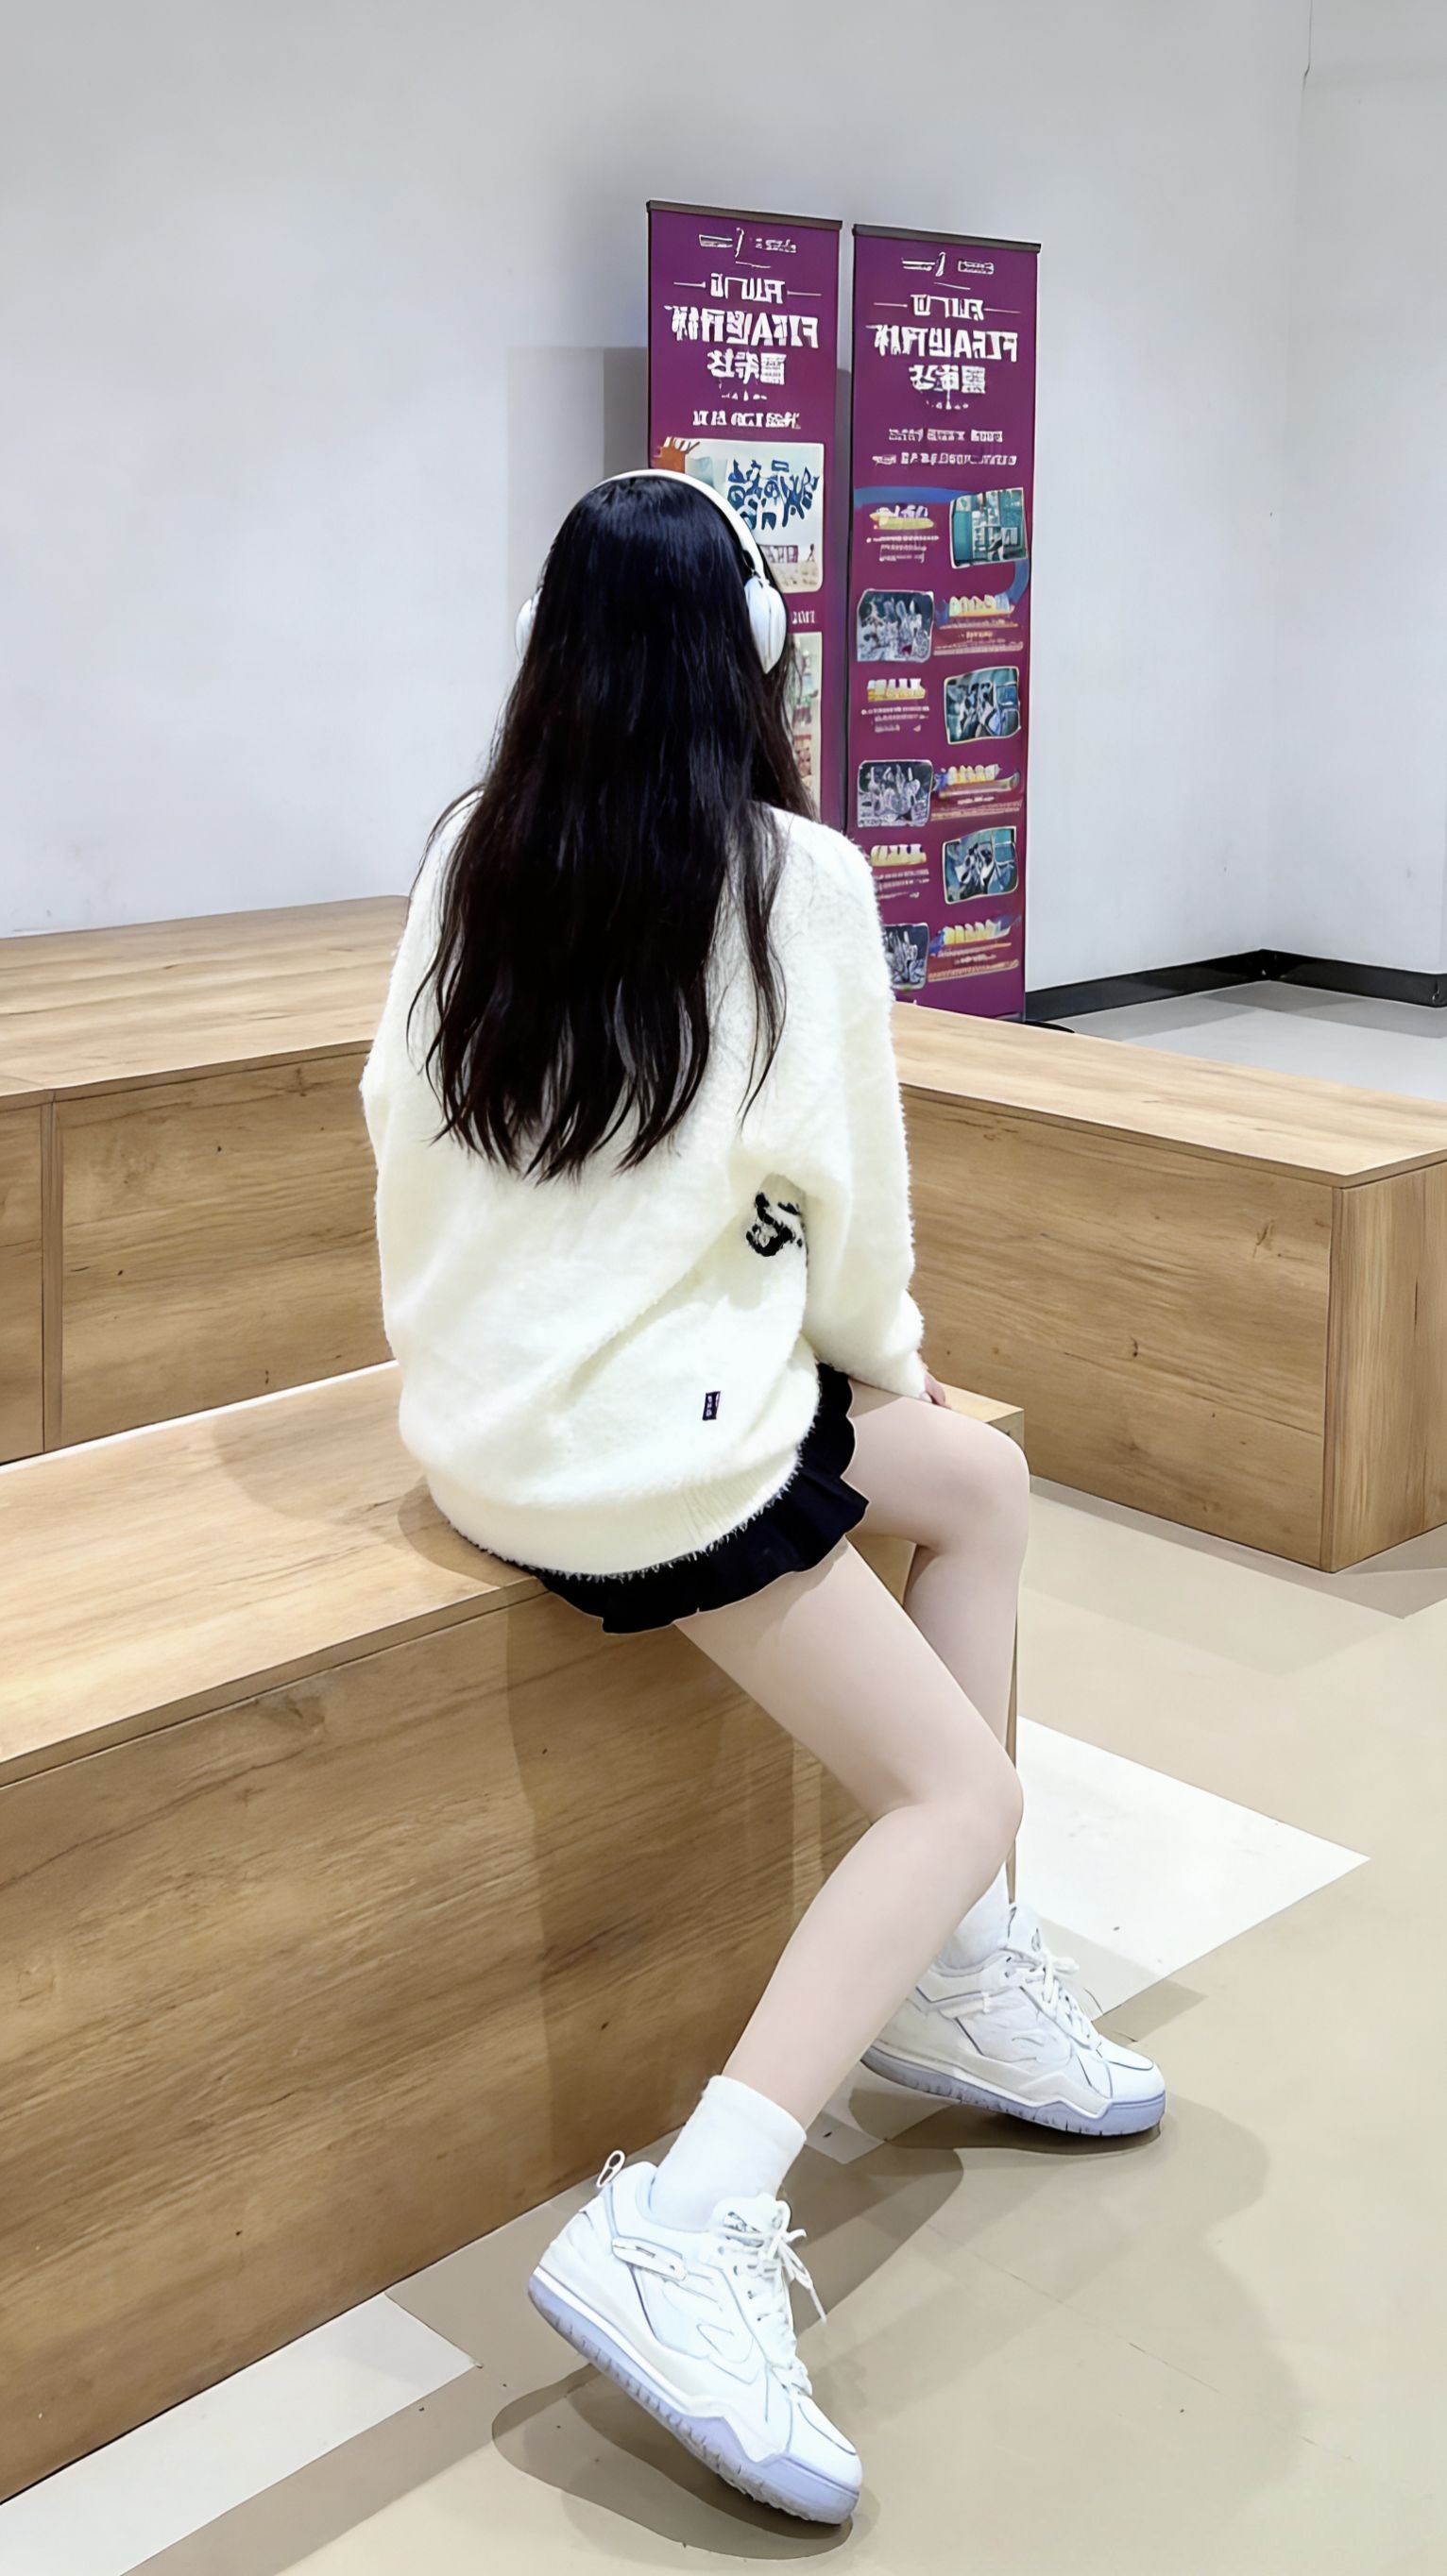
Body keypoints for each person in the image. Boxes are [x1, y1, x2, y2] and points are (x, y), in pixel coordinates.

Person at [363, 471, 1165, 2528]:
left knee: (978, 1486)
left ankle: (963, 1973)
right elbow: (844, 1196)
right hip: (659, 1456)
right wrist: (883, 1354)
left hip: (489, 1421)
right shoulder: (797, 872)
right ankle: (689, 2215)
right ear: (758, 653)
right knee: (953, 1787)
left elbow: (399, 1124)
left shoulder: (474, 841)